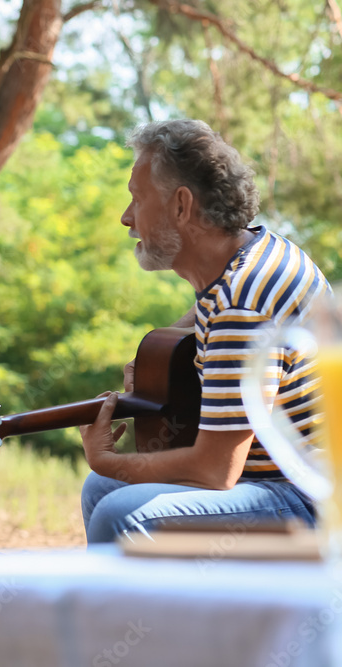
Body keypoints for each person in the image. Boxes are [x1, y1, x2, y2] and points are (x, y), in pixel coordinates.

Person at [80, 119, 330, 544]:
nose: (126, 218)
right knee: (100, 492)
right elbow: (207, 315)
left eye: (136, 200)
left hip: (310, 499)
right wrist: (154, 359)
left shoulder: (242, 303)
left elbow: (215, 470)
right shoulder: (254, 255)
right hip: (287, 483)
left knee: (121, 512)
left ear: (181, 205)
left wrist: (108, 459)